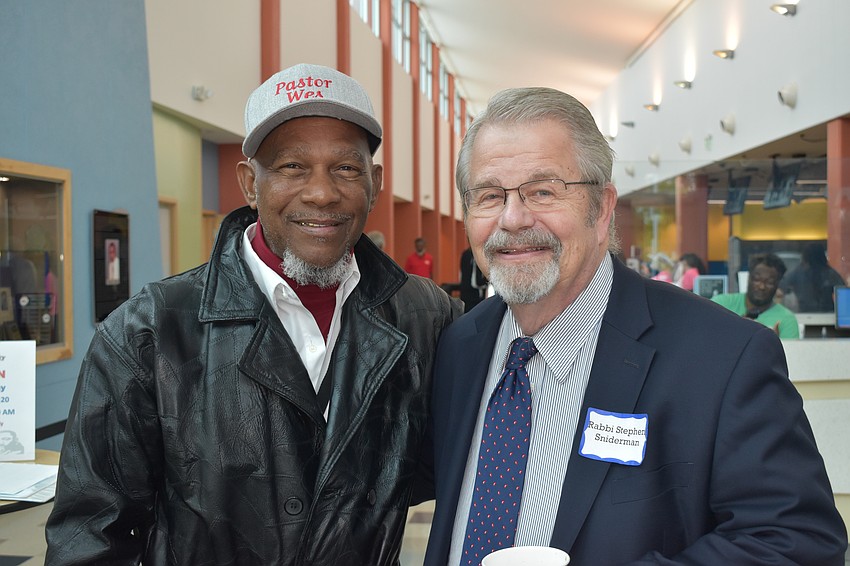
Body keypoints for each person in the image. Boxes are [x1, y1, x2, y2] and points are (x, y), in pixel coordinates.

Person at [46, 63, 461, 565]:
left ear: (373, 182)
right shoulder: (150, 331)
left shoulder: (424, 317)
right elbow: (90, 535)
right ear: (249, 182)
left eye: (346, 168)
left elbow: (446, 464)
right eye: (291, 167)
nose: (322, 192)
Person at [421, 87, 846, 565]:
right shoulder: (460, 346)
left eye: (543, 191)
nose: (513, 218)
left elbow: (797, 543)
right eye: (489, 195)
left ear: (601, 209)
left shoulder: (723, 357)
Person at [712, 252, 799, 338]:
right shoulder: (720, 304)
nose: (761, 286)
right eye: (757, 280)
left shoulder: (787, 320)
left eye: (769, 282)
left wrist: (773, 343)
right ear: (749, 278)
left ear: (777, 284)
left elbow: (789, 352)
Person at [779, 242, 845, 312]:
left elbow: (843, 291)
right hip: (810, 315)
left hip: (823, 315)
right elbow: (843, 291)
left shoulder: (829, 273)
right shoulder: (799, 272)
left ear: (805, 258)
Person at [459, 246, 488, 312]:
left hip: (464, 292)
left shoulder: (465, 254)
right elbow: (475, 281)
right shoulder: (474, 255)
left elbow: (461, 274)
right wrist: (485, 284)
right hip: (474, 294)